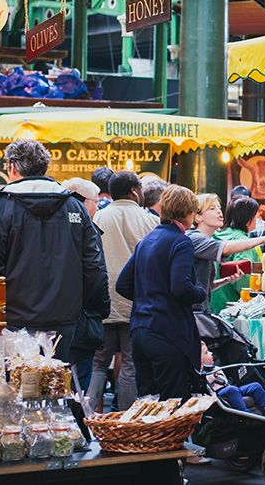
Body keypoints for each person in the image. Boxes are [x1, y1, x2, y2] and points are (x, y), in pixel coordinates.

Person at [0, 140, 103, 362]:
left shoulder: (0, 205)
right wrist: (77, 301)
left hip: (15, 316)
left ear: (13, 168)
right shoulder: (74, 205)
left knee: (18, 385)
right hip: (64, 315)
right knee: (56, 385)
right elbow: (92, 264)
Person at [116, 185, 207, 399]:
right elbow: (180, 287)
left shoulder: (146, 240)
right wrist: (201, 293)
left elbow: (122, 284)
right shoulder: (181, 241)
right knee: (172, 404)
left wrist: (147, 296)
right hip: (167, 332)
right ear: (186, 213)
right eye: (193, 213)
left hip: (139, 332)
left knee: (148, 402)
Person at [89, 170, 158, 412]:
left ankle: (89, 419)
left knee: (98, 362)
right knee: (130, 363)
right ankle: (124, 420)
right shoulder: (149, 219)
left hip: (102, 300)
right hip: (135, 301)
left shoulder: (98, 216)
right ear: (134, 191)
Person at [189, 193, 265, 314]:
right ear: (198, 217)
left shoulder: (209, 239)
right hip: (198, 313)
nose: (219, 212)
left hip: (205, 311)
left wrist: (227, 280)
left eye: (219, 208)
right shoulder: (196, 238)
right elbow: (225, 249)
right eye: (212, 208)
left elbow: (206, 286)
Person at [62, 178, 111, 393]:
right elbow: (97, 276)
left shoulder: (54, 226)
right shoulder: (88, 230)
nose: (97, 207)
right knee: (77, 388)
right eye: (95, 202)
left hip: (56, 319)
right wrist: (102, 308)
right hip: (81, 319)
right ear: (81, 202)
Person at [211, 195, 265, 311]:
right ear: (248, 218)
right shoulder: (244, 243)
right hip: (231, 311)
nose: (257, 218)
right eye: (255, 215)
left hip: (211, 307)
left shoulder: (215, 236)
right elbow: (244, 284)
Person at [200, 342, 265, 419]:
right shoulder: (201, 373)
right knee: (231, 390)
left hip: (230, 387)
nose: (211, 353)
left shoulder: (215, 367)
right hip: (218, 394)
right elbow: (206, 383)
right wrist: (213, 374)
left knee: (255, 386)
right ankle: (247, 415)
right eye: (206, 353)